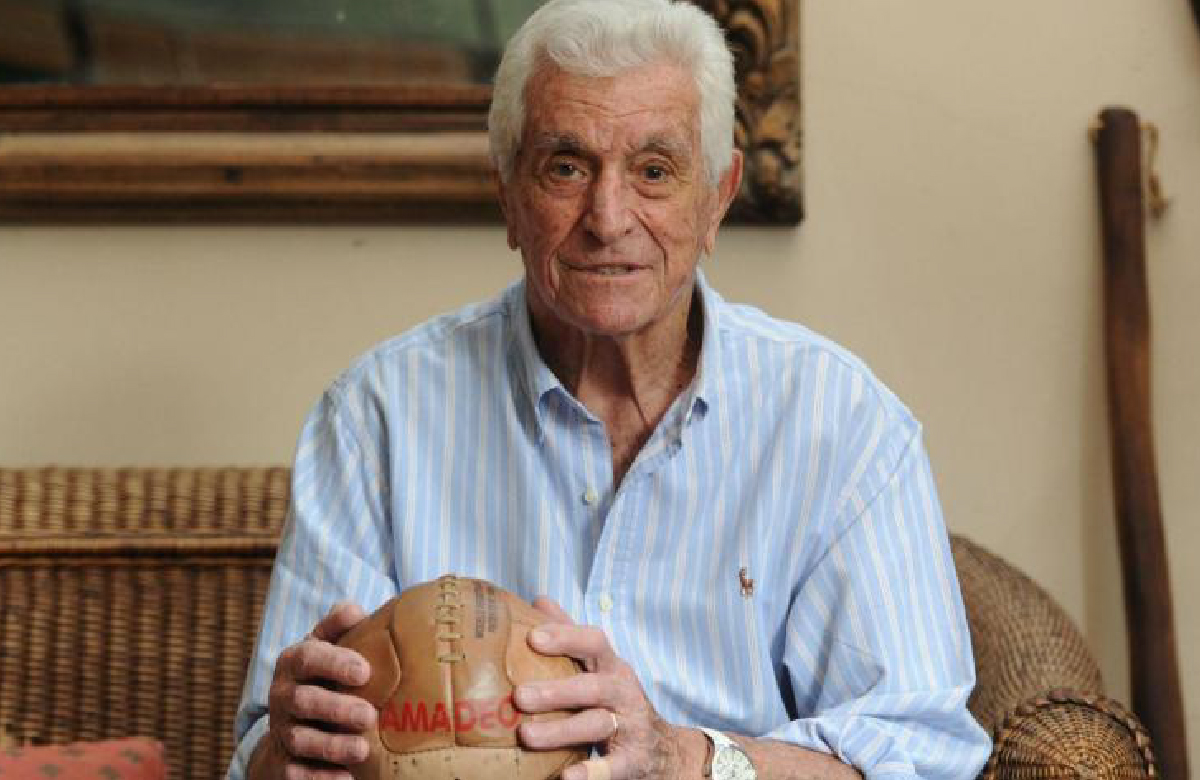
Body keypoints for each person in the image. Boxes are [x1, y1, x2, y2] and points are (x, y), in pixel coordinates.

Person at [227, 1, 992, 778]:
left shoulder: (843, 425)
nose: (608, 217)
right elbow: (265, 753)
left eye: (654, 171)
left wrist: (680, 759)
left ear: (718, 196)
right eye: (567, 167)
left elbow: (923, 757)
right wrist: (288, 749)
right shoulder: (374, 417)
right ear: (508, 196)